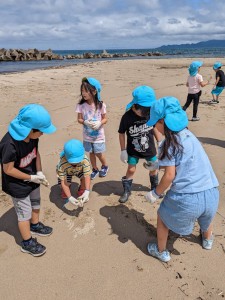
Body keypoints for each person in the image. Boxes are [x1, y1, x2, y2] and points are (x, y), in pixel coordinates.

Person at [145, 96, 219, 263]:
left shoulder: (167, 144)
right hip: (212, 192)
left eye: (155, 123)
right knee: (206, 220)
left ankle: (161, 250)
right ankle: (207, 240)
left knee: (162, 217)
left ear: (163, 122)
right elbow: (184, 162)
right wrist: (158, 165)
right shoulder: (190, 136)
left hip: (188, 198)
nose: (154, 127)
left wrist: (155, 193)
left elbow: (170, 175)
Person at [0, 104, 56, 256]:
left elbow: (36, 154)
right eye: (42, 131)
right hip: (17, 185)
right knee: (24, 214)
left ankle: (35, 225)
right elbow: (8, 169)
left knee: (36, 203)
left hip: (32, 178)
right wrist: (31, 177)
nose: (43, 134)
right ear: (30, 130)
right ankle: (27, 242)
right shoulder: (9, 144)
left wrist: (39, 172)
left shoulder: (32, 138)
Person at [118, 85, 162, 203]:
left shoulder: (149, 114)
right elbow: (121, 133)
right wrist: (123, 150)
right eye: (144, 110)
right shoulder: (126, 117)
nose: (146, 113)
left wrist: (160, 142)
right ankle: (127, 190)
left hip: (149, 149)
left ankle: (154, 187)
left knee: (154, 167)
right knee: (131, 170)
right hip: (133, 150)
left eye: (149, 109)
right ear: (135, 105)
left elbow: (155, 128)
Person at [76, 77, 109, 180]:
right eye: (82, 91)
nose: (83, 93)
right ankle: (94, 169)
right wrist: (85, 122)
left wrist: (99, 123)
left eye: (86, 91)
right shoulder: (81, 105)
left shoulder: (100, 105)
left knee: (99, 153)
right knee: (91, 153)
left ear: (94, 91)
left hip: (98, 136)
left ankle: (104, 166)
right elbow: (79, 119)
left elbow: (105, 119)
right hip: (87, 136)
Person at [56, 139, 91, 207]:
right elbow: (63, 181)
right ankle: (67, 190)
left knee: (84, 178)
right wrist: (70, 197)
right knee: (64, 185)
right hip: (67, 172)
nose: (75, 163)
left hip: (79, 170)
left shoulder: (85, 160)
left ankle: (82, 189)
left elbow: (87, 175)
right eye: (72, 162)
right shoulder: (62, 164)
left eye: (77, 161)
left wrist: (87, 191)